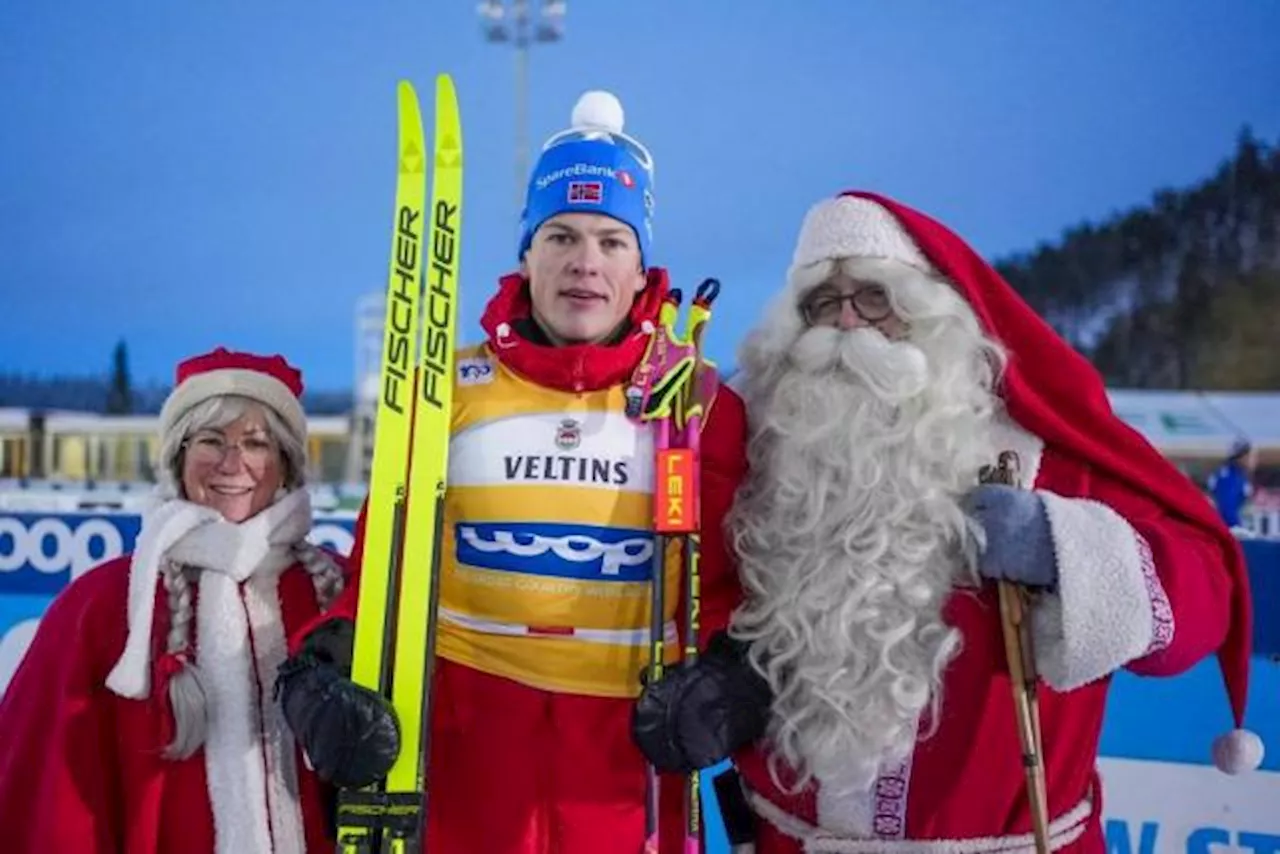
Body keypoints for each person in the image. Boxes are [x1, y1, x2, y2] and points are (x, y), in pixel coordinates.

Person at [631, 191, 1262, 853]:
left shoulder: (1042, 455)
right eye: (823, 303)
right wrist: (727, 676)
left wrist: (1064, 545)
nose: (848, 324)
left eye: (874, 298)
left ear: (930, 311)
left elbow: (1202, 601)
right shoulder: (761, 450)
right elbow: (693, 587)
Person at [276, 91, 747, 853]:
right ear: (527, 253)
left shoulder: (698, 403)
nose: (583, 262)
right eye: (559, 234)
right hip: (468, 749)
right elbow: (378, 572)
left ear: (641, 266)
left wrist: (732, 679)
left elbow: (730, 586)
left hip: (626, 765)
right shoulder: (445, 391)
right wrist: (321, 664)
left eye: (610, 240)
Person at [0, 347, 348, 853]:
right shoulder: (104, 605)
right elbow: (47, 788)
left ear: (287, 465)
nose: (233, 463)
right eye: (211, 440)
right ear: (179, 458)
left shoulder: (330, 594)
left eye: (256, 442)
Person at [1208, 438, 1256, 529]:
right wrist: (1236, 528)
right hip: (1229, 529)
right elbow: (1226, 507)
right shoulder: (1230, 478)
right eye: (1250, 456)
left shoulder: (1237, 475)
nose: (1253, 460)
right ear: (1242, 457)